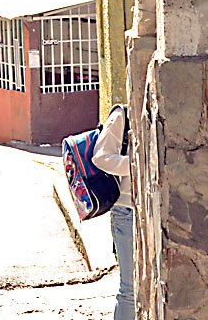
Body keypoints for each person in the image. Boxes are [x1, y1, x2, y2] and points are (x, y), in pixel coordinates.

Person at [93, 105, 133, 320]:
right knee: (130, 289)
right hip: (126, 211)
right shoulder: (122, 115)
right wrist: (137, 164)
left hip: (154, 210)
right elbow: (101, 157)